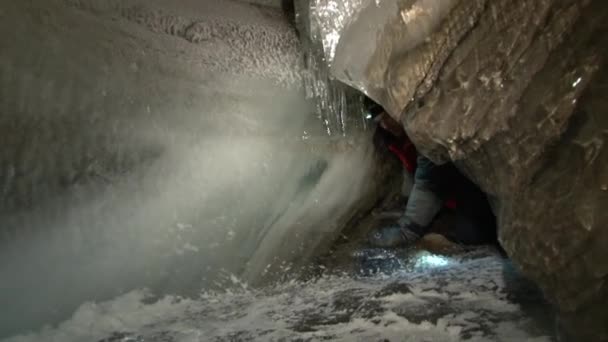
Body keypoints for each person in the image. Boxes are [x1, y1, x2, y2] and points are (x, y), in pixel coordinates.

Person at [365, 98, 497, 248]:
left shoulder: (425, 129)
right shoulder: (391, 139)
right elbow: (411, 173)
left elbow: (428, 180)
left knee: (474, 236)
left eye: (387, 117)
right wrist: (404, 202)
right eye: (379, 122)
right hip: (444, 194)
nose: (385, 125)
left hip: (468, 186)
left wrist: (409, 229)